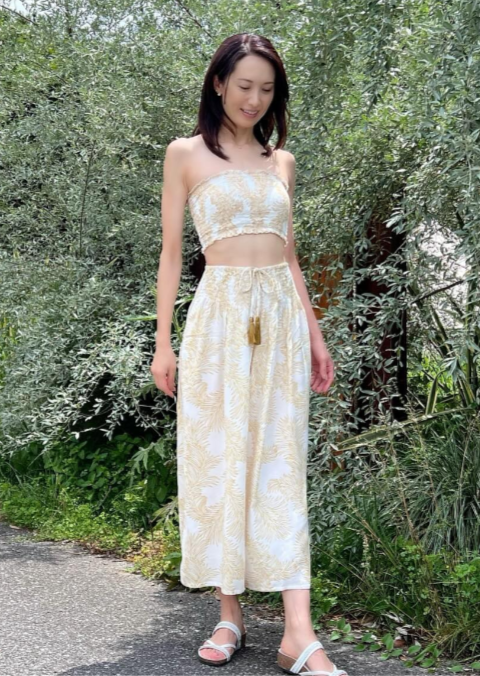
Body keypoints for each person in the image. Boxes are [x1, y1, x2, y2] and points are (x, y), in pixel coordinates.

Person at [151, 33, 346, 676]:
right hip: (219, 320)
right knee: (220, 458)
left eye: (266, 89)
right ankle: (229, 613)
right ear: (218, 84)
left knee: (281, 463)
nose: (254, 99)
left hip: (281, 322)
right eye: (244, 86)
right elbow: (172, 255)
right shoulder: (184, 154)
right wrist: (162, 342)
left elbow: (289, 256)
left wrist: (315, 335)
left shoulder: (280, 161)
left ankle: (298, 632)